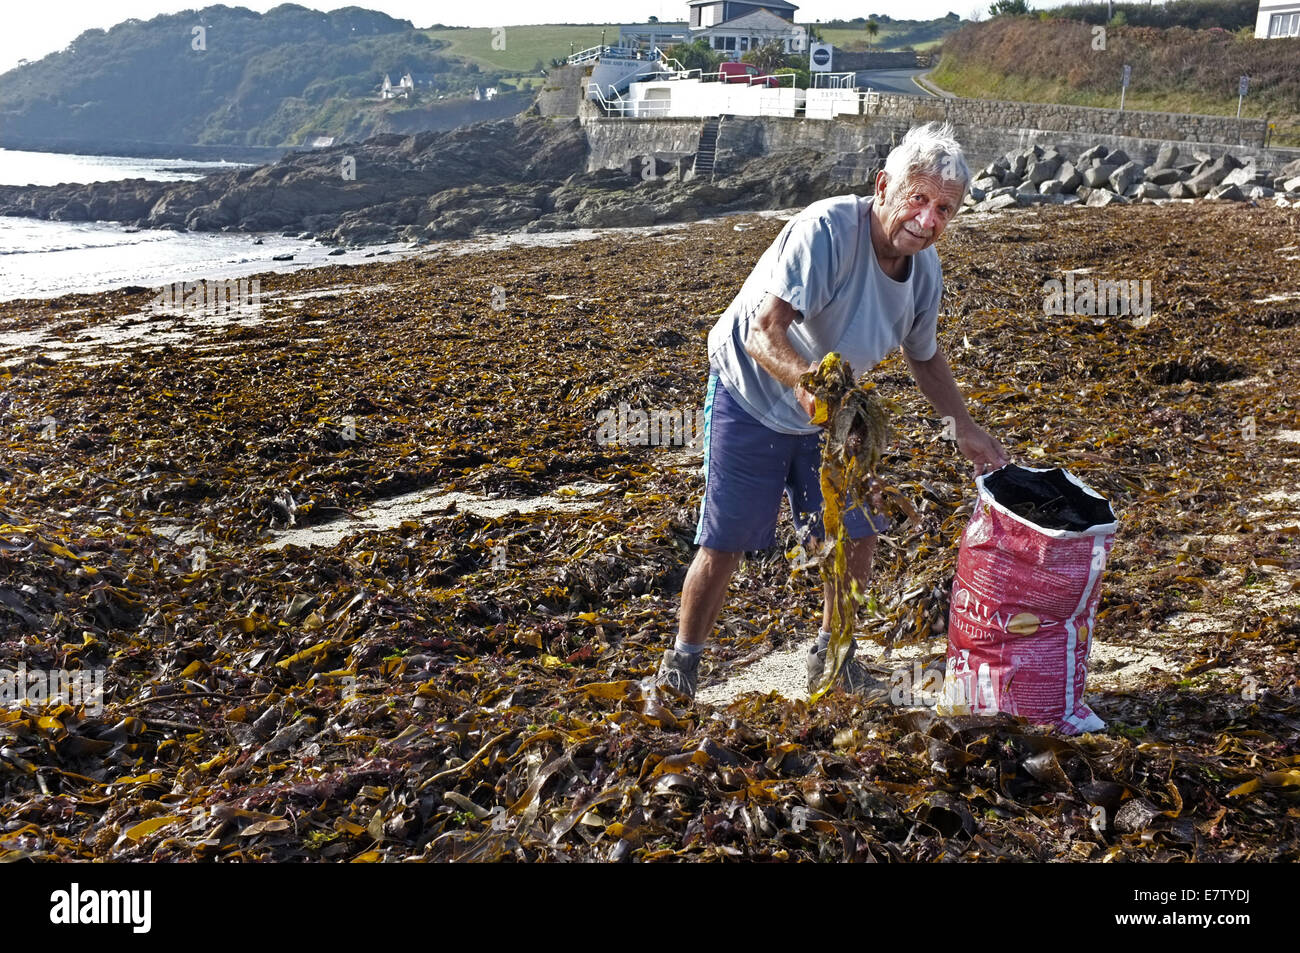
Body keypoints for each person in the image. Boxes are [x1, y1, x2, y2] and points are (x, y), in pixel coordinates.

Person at [654, 121, 1009, 703]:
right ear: (883, 185)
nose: (927, 220)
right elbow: (761, 334)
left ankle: (836, 657)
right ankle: (683, 664)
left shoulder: (926, 273)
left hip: (832, 413)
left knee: (857, 530)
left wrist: (963, 426)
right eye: (917, 199)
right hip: (752, 395)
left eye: (944, 209)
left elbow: (925, 357)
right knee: (728, 541)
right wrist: (813, 390)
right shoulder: (826, 230)